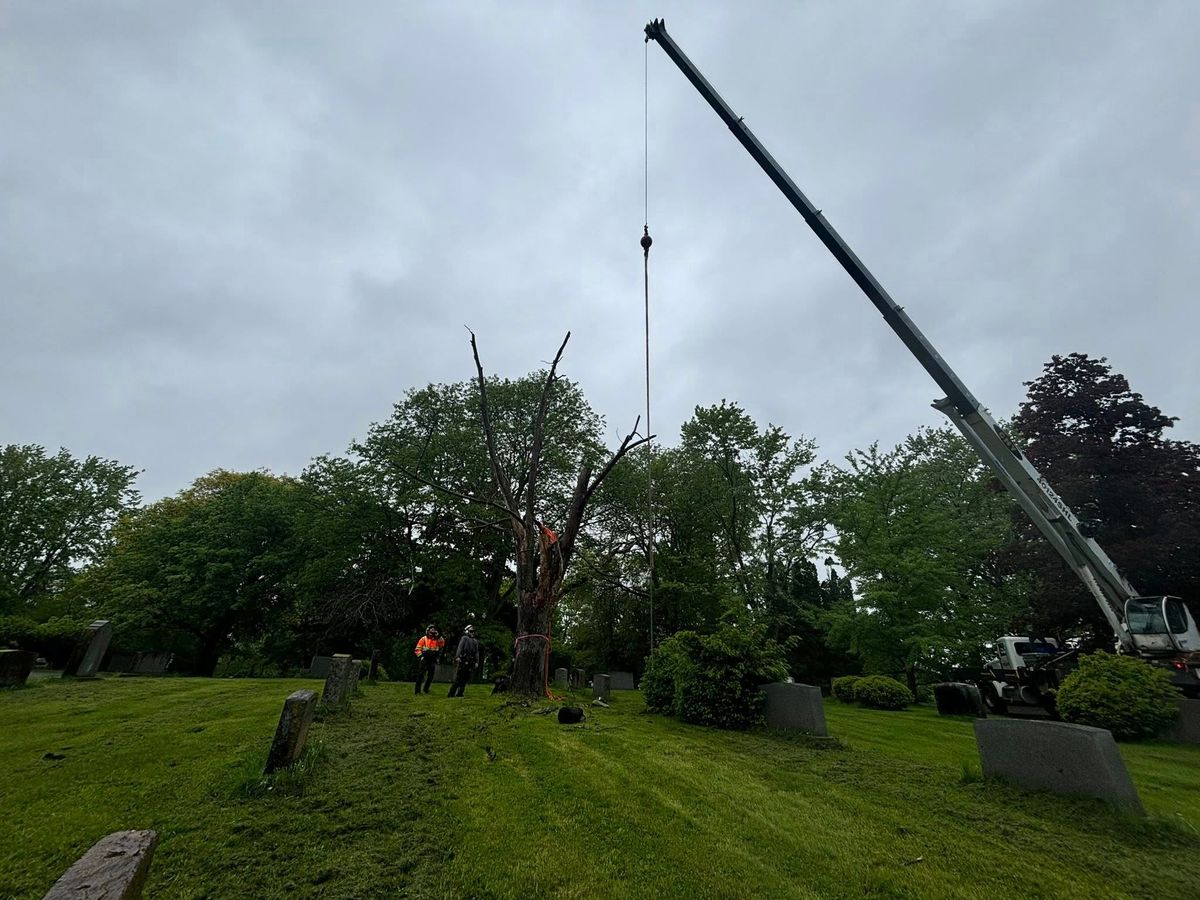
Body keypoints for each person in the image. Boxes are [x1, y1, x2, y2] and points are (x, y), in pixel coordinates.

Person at [448, 624, 480, 698]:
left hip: (471, 661)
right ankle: (451, 693)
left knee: (465, 678)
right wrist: (457, 656)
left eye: (473, 631)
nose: (473, 633)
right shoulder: (464, 638)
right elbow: (460, 647)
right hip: (463, 659)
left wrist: (477, 662)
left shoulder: (475, 641)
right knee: (459, 677)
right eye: (471, 631)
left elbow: (476, 652)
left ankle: (460, 693)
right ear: (467, 631)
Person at [413, 625, 444, 695]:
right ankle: (417, 691)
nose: (432, 632)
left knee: (431, 676)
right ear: (427, 631)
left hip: (432, 659)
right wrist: (421, 656)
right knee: (420, 675)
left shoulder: (437, 639)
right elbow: (417, 649)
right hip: (424, 658)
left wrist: (438, 636)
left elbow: (442, 644)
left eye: (433, 631)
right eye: (431, 631)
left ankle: (426, 689)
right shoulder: (423, 639)